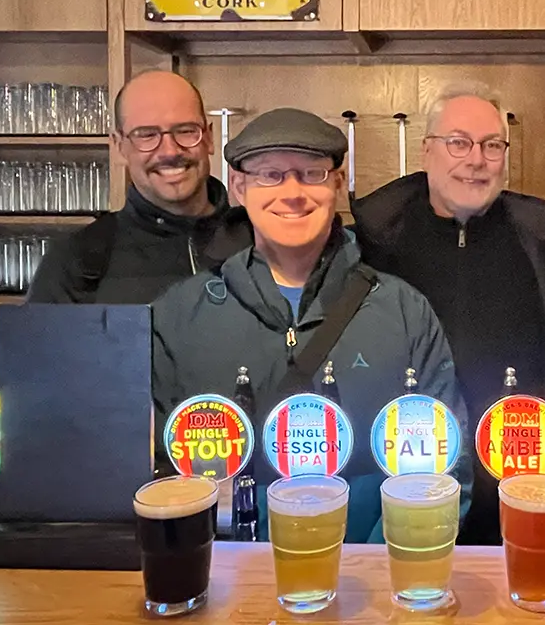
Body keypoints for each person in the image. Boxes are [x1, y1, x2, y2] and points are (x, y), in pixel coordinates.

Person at [151, 107, 471, 543]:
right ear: (239, 186)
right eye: (270, 175)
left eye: (312, 173)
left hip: (373, 586)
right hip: (226, 584)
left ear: (339, 184)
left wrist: (378, 568)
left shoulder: (403, 310)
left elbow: (448, 468)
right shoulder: (179, 315)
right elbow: (156, 473)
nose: (293, 192)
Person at [350, 83, 545, 545]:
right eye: (458, 142)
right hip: (400, 484)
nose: (476, 160)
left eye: (492, 145)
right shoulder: (372, 245)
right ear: (426, 151)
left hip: (519, 488)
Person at [27, 70, 229, 304]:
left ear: (209, 138)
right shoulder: (74, 262)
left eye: (185, 131)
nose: (170, 151)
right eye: (147, 135)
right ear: (119, 147)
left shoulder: (265, 245)